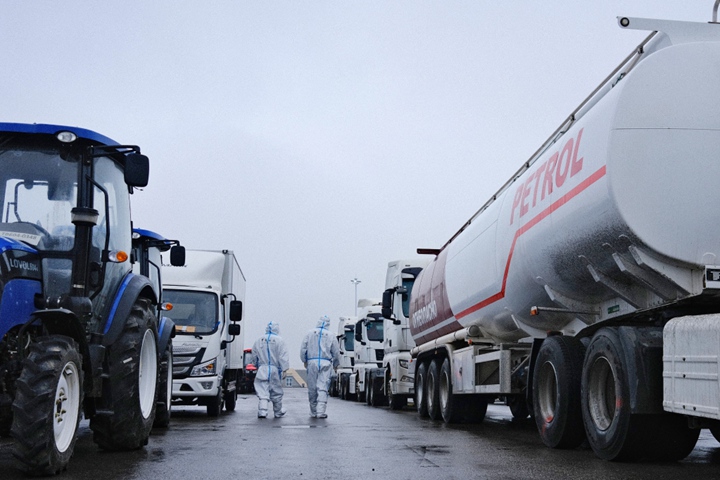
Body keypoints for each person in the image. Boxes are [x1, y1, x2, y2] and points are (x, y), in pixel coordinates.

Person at [300, 315, 340, 418]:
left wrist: (304, 360)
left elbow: (303, 348)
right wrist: (336, 364)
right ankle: (320, 411)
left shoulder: (310, 333)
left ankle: (313, 411)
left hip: (312, 362)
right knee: (323, 387)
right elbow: (336, 352)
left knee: (312, 387)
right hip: (325, 363)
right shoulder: (331, 335)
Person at [252, 321, 290, 418]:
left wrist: (256, 365)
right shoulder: (280, 340)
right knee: (276, 390)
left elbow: (254, 355)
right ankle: (277, 411)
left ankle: (262, 411)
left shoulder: (259, 340)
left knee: (262, 390)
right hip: (274, 369)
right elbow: (283, 356)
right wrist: (285, 369)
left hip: (262, 368)